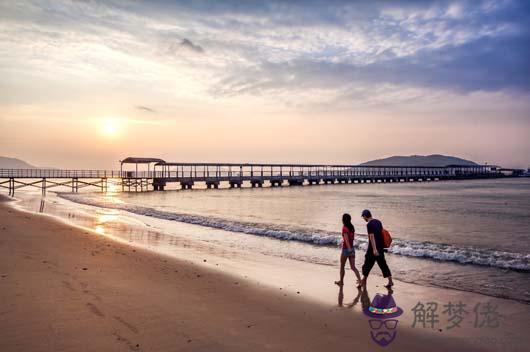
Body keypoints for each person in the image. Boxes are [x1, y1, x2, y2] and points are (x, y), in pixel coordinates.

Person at [360, 209, 394, 288]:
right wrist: (380, 247)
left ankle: (362, 282)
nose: (363, 218)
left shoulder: (369, 224)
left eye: (363, 217)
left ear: (365, 216)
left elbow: (371, 237)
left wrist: (374, 249)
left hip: (373, 249)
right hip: (380, 247)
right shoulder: (378, 221)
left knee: (366, 265)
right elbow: (382, 233)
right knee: (383, 265)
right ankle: (390, 281)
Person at [335, 213, 362, 287]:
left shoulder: (344, 228)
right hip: (352, 249)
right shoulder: (352, 227)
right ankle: (360, 282)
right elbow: (351, 238)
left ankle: (341, 282)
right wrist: (351, 249)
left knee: (342, 266)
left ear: (343, 220)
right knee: (353, 267)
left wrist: (349, 249)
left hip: (346, 250)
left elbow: (346, 240)